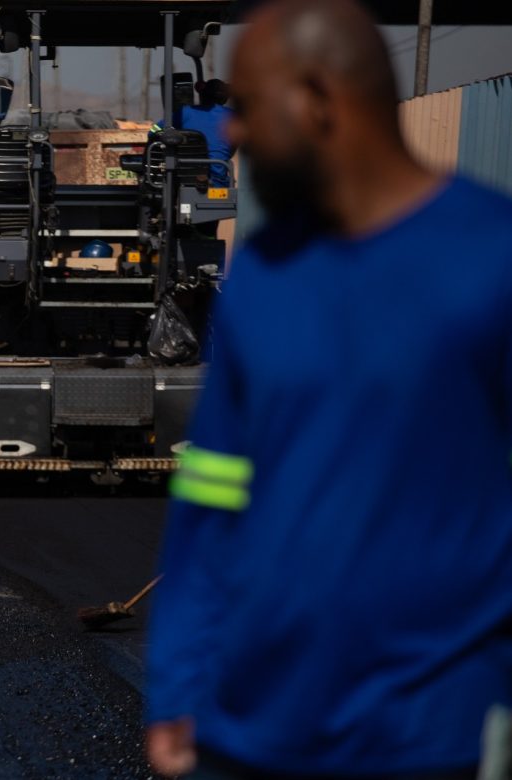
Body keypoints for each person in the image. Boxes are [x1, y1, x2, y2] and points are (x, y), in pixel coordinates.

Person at [145, 1, 512, 778]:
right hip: (250, 731)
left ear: (316, 98)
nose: (232, 130)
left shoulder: (491, 260)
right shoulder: (262, 277)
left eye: (248, 105)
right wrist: (176, 684)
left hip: (430, 737)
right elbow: (210, 497)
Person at [150, 78, 236, 188]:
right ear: (225, 98)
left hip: (183, 179)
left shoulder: (184, 112)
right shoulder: (233, 116)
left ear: (203, 95)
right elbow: (235, 145)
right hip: (217, 180)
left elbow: (153, 132)